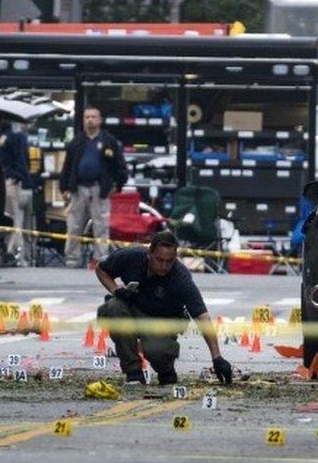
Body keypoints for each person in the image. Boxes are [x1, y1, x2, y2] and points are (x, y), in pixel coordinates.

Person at [95, 231, 233, 385]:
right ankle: (133, 372)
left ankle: (166, 371)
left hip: (162, 322)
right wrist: (116, 290)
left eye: (169, 261)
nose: (164, 266)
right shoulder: (131, 257)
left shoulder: (181, 278)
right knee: (113, 307)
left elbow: (202, 317)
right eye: (159, 260)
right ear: (149, 254)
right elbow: (101, 269)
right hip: (133, 310)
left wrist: (217, 357)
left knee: (157, 351)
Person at [59, 105, 128, 268]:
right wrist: (65, 188)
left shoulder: (109, 142)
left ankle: (101, 259)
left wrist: (117, 184)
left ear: (100, 120)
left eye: (93, 117)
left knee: (101, 226)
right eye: (87, 117)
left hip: (100, 190)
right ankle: (72, 259)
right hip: (79, 189)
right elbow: (67, 167)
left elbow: (120, 166)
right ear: (83, 120)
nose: (90, 120)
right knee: (74, 225)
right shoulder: (76, 142)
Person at [0, 117, 32, 266]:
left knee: (13, 218)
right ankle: (7, 250)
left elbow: (20, 159)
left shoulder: (14, 135)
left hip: (9, 181)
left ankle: (13, 252)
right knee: (4, 218)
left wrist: (16, 177)